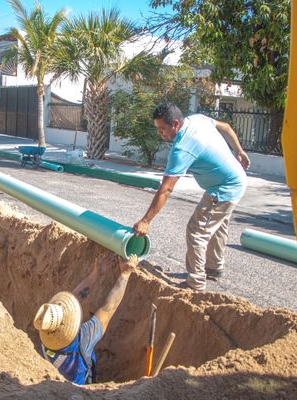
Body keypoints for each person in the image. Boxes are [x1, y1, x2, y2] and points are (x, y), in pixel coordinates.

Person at [133, 103, 250, 291]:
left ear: (176, 124)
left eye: (163, 128)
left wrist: (146, 220)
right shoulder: (198, 119)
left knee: (197, 230)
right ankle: (214, 267)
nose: (160, 133)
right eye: (158, 129)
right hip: (235, 180)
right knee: (216, 225)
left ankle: (195, 283)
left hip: (225, 187)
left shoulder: (182, 148)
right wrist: (239, 150)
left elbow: (166, 189)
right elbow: (227, 127)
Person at [33, 254, 138, 385]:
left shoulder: (46, 337)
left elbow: (74, 300)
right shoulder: (82, 339)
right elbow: (108, 309)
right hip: (81, 390)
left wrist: (96, 273)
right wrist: (125, 275)